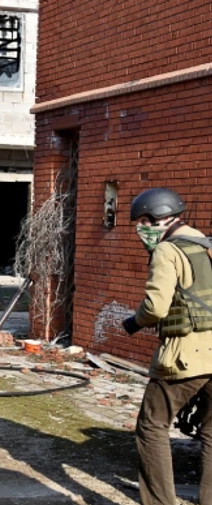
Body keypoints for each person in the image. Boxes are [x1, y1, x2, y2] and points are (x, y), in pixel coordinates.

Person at [122, 188, 212, 505]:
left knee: (152, 426)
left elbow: (156, 307)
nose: (140, 230)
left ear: (157, 218)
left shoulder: (168, 250)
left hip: (186, 355)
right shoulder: (206, 244)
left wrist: (134, 322)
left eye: (142, 222)